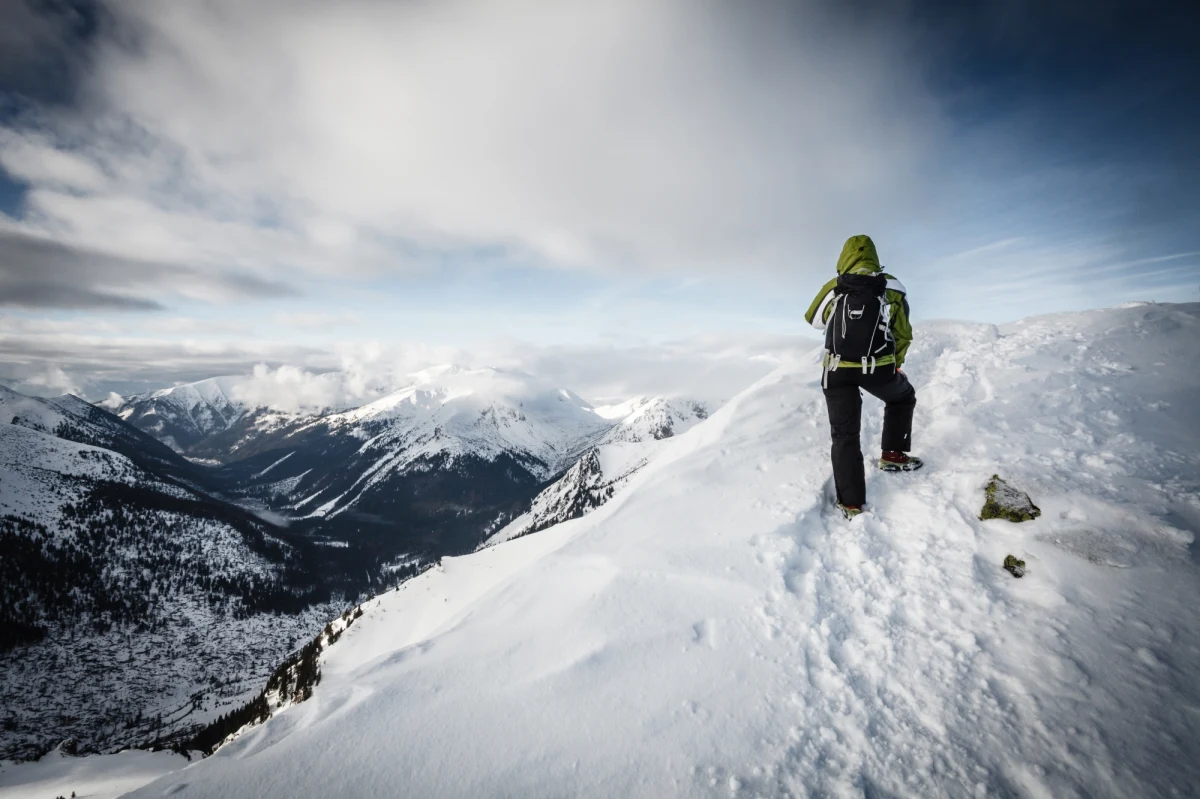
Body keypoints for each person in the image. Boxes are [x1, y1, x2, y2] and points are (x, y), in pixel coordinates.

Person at [804, 234, 922, 519]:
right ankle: (892, 455)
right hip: (877, 368)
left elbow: (813, 319)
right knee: (903, 397)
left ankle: (852, 503)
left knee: (844, 435)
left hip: (835, 370)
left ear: (844, 257)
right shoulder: (892, 286)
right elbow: (903, 333)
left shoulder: (835, 286)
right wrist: (895, 364)